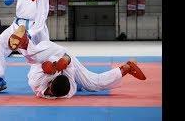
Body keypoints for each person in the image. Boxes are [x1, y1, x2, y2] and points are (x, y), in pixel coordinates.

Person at [8, 25, 147, 99]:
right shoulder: (68, 91)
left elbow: (36, 64)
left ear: (49, 84)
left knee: (36, 59)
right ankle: (126, 68)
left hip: (50, 52)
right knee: (93, 83)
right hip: (60, 56)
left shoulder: (36, 81)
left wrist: (51, 66)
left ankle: (24, 43)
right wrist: (64, 63)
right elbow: (67, 60)